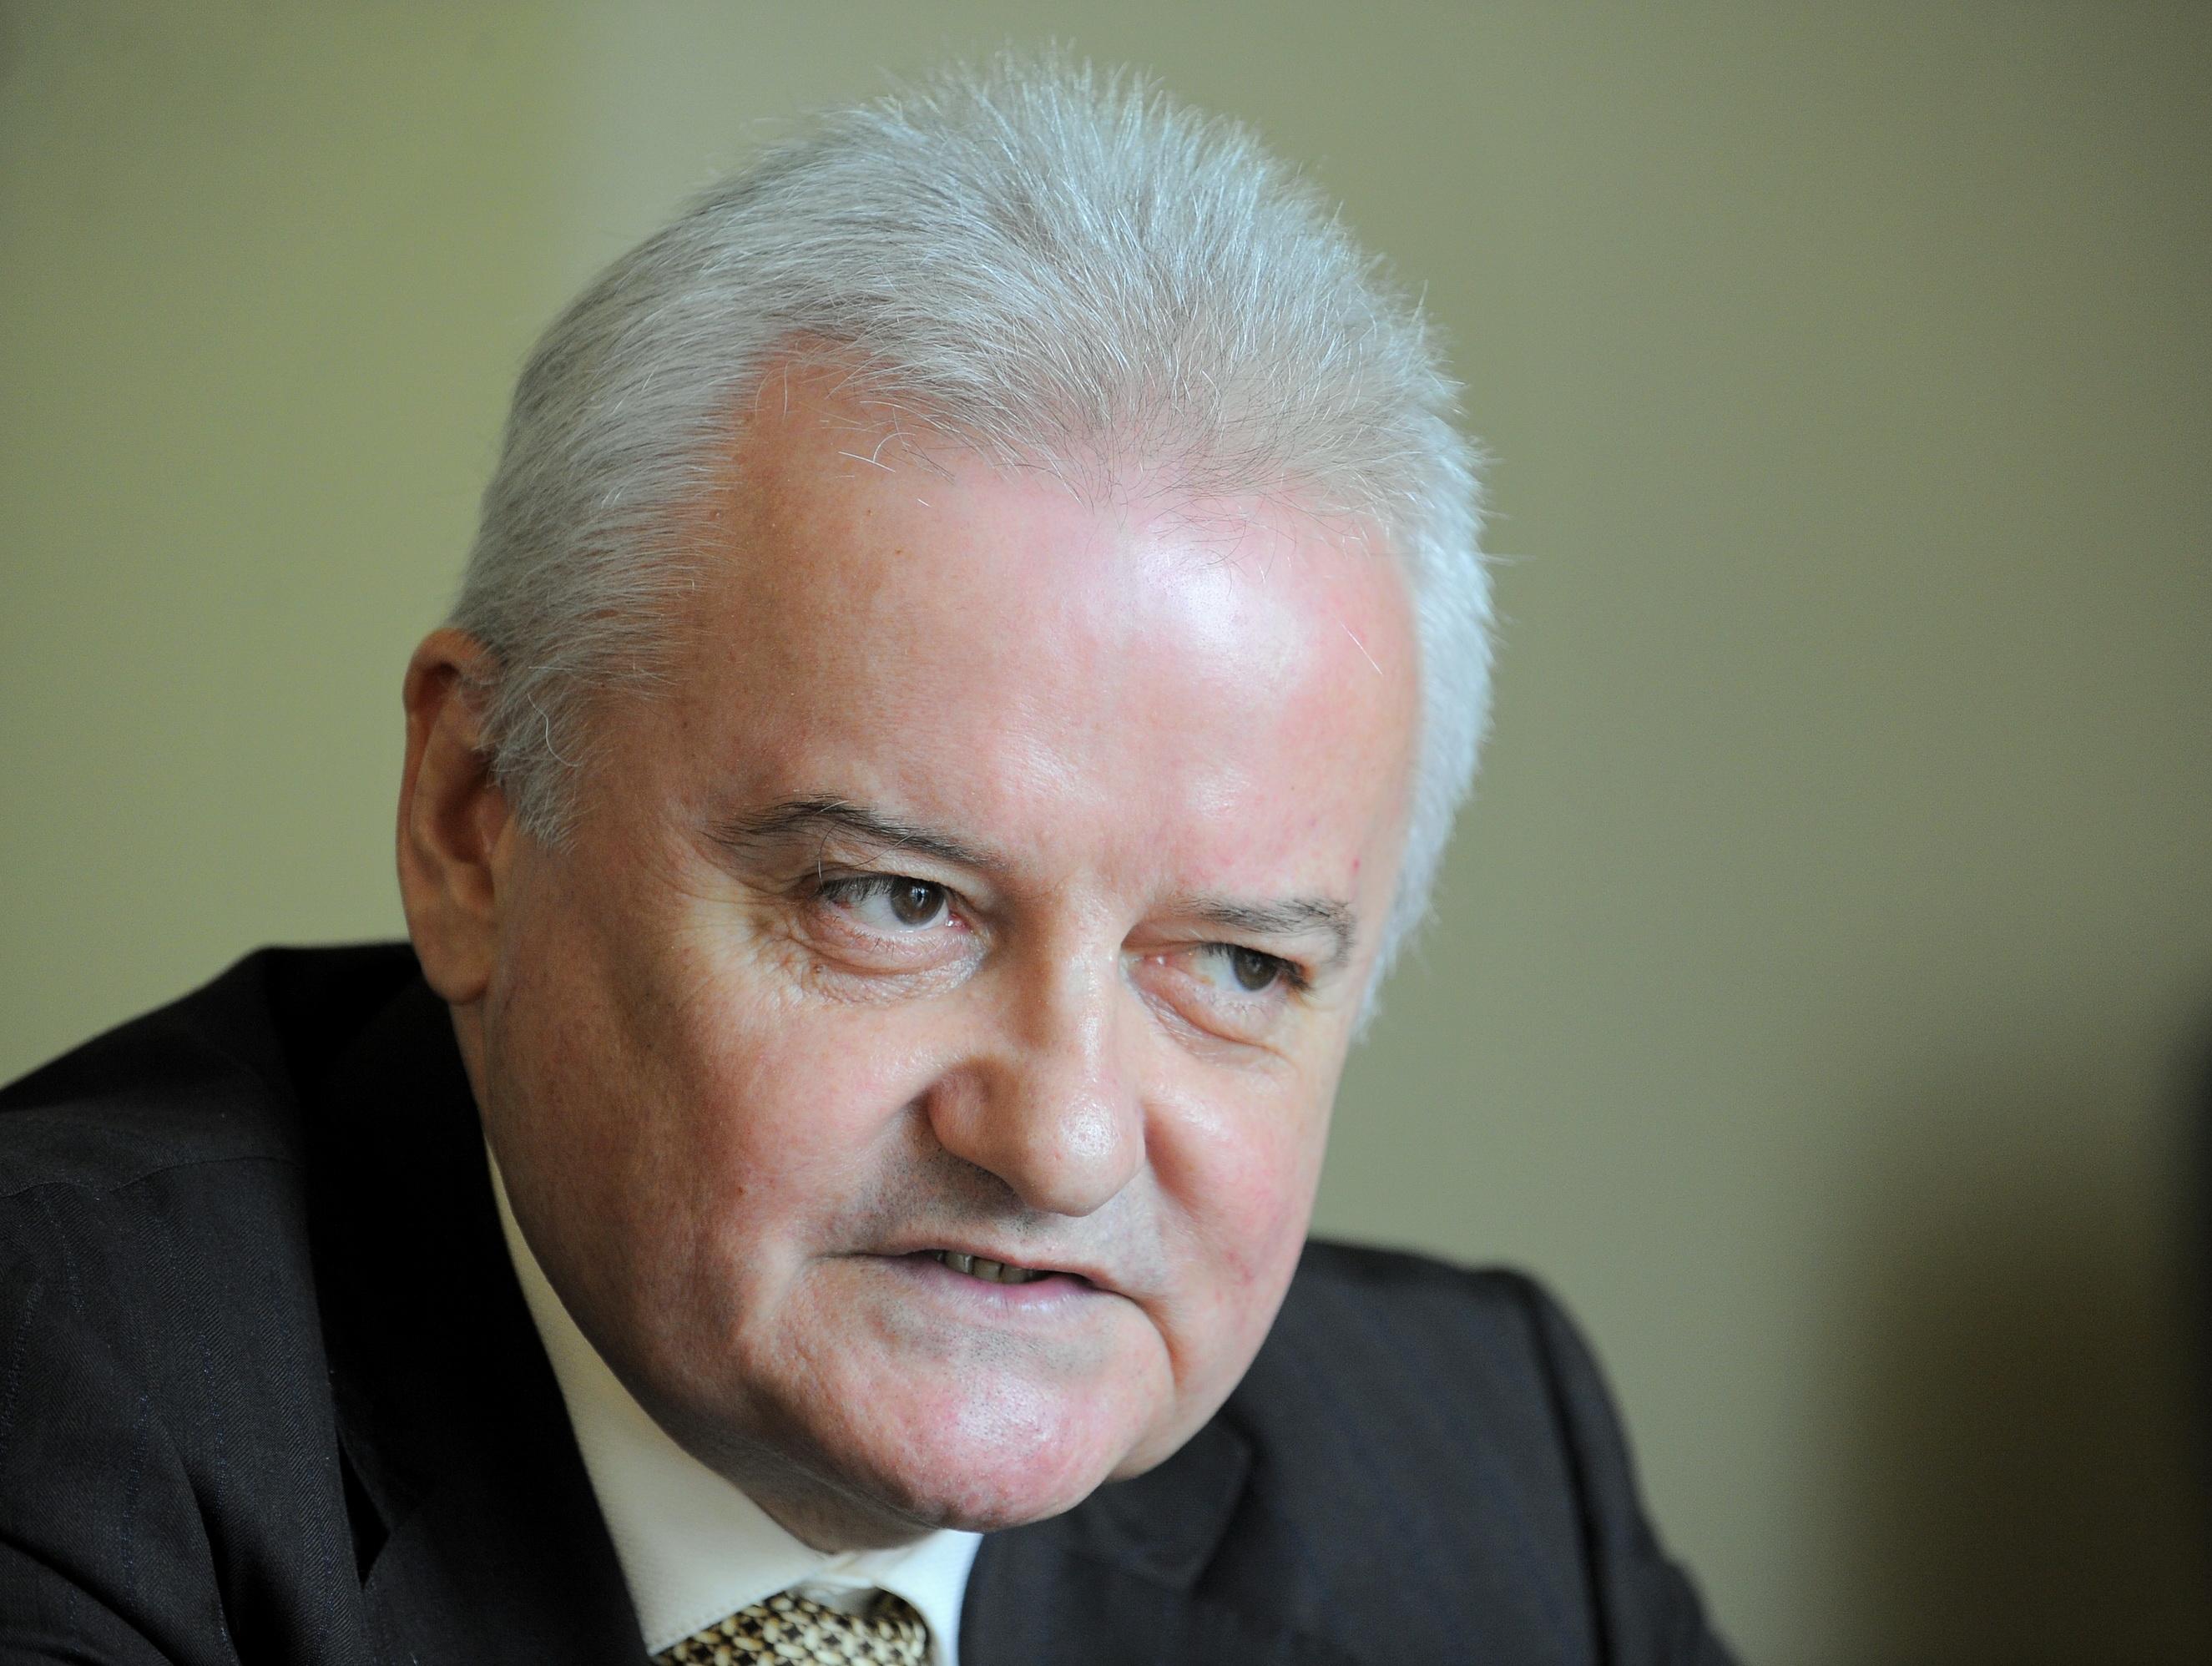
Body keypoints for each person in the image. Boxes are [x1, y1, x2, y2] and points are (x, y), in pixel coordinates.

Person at [0, 58, 1734, 1666]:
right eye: (896, 900)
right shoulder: (61, 1404)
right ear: (476, 819)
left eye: (1235, 965)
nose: (1059, 1142)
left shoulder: (1491, 1472)